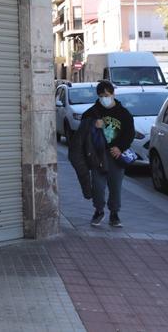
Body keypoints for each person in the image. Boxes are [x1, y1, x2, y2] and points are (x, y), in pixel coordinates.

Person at [72, 80, 134, 228]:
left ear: (113, 94)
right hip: (97, 155)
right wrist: (93, 125)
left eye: (107, 95)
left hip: (115, 156)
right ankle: (99, 210)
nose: (104, 98)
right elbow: (82, 132)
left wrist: (120, 147)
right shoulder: (92, 112)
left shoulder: (124, 113)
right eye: (101, 95)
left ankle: (114, 214)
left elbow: (129, 133)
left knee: (115, 186)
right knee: (98, 186)